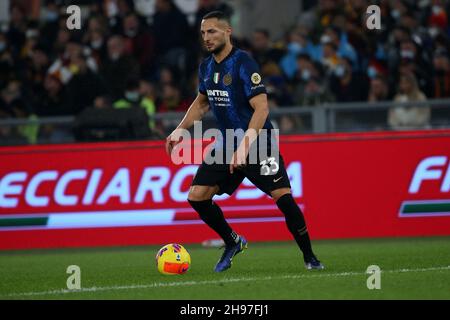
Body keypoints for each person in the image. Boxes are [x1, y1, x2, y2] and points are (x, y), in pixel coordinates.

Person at [165, 11, 324, 272]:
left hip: (259, 141)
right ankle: (232, 241)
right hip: (228, 143)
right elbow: (201, 103)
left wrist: (245, 146)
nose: (207, 37)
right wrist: (179, 129)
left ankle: (310, 257)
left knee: (284, 200)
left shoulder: (243, 63)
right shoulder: (206, 65)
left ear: (228, 32)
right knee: (197, 197)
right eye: (203, 33)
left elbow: (261, 109)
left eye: (212, 31)